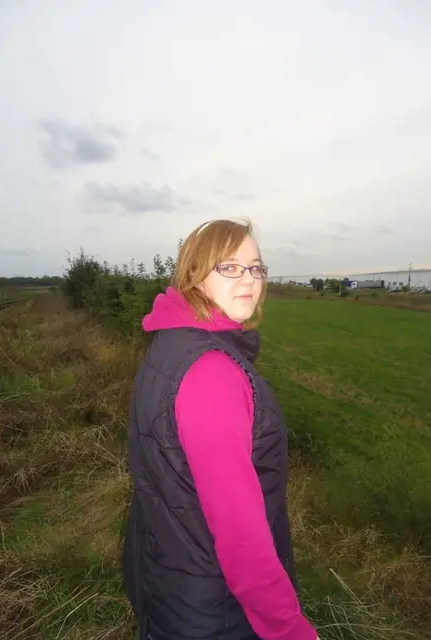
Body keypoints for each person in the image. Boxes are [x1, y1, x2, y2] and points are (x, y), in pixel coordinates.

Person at [122, 219, 318, 640]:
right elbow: (240, 533)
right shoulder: (212, 373)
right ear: (195, 274)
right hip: (216, 609)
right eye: (229, 267)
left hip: (169, 583)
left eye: (256, 267)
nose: (249, 279)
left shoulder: (171, 343)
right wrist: (289, 628)